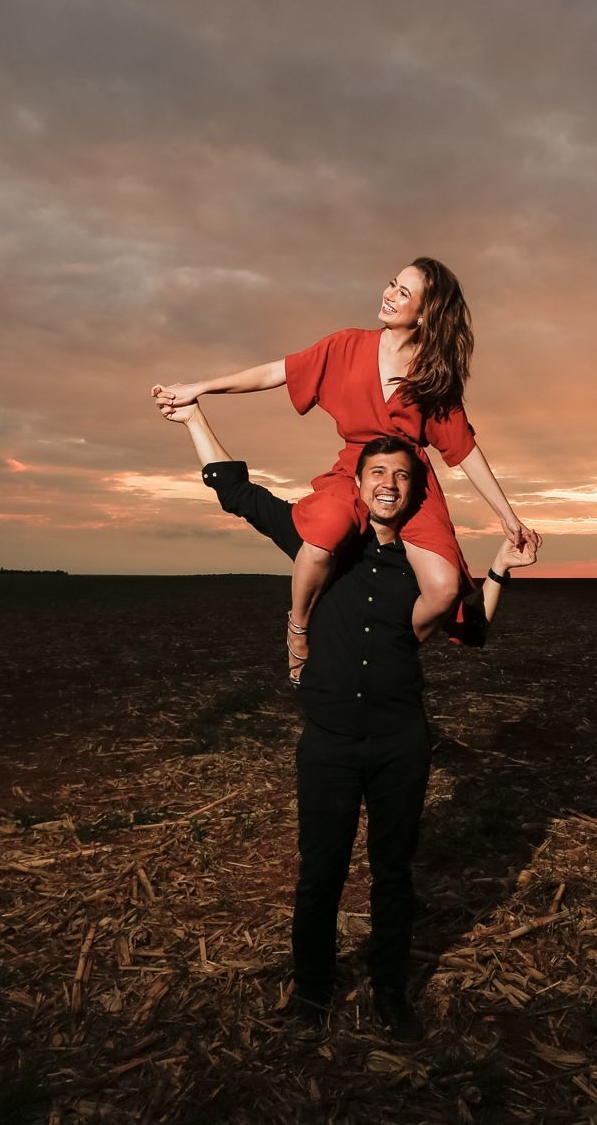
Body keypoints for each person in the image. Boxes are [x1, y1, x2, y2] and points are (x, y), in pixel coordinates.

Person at [157, 396, 540, 1041]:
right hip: (329, 746)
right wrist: (196, 420)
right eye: (377, 476)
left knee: (392, 872)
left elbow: (470, 630)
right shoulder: (322, 546)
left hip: (399, 744)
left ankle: (391, 992)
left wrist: (503, 566)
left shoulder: (422, 569)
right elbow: (237, 493)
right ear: (358, 485)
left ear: (414, 491)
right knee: (321, 870)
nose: (389, 485)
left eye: (401, 477)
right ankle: (312, 993)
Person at [152, 257, 536, 685]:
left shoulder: (435, 375)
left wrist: (507, 515)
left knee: (445, 588)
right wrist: (200, 388)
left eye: (404, 293)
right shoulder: (346, 345)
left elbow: (464, 449)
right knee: (319, 541)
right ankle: (297, 632)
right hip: (357, 467)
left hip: (412, 479)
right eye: (392, 284)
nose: (389, 294)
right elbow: (275, 372)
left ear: (426, 313)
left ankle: (390, 654)